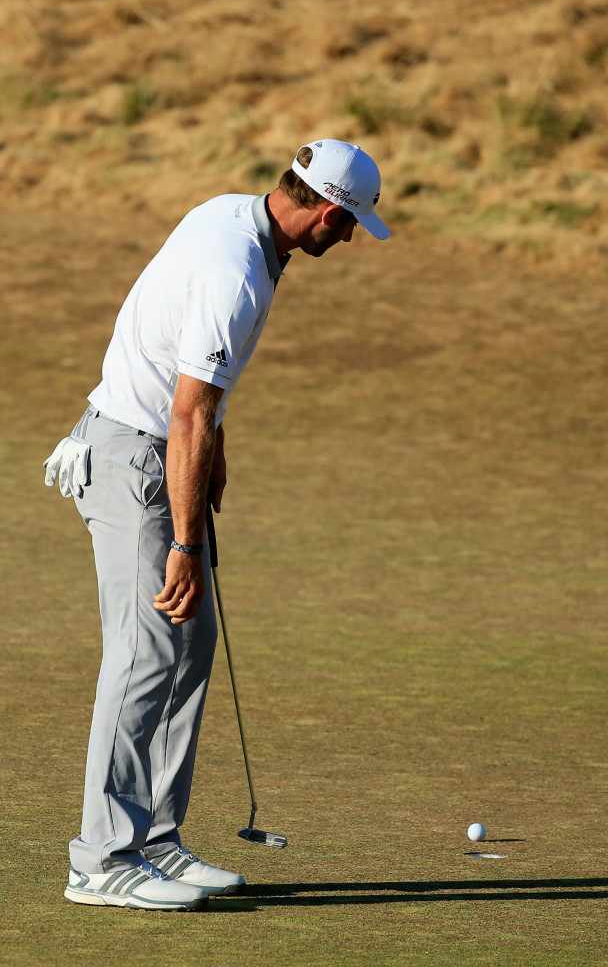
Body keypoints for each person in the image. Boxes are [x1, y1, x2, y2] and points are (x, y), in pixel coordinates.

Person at [43, 139, 390, 912]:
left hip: (157, 448)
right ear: (327, 212)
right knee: (142, 658)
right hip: (139, 460)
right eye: (350, 226)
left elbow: (191, 382)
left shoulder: (231, 216)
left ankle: (154, 839)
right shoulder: (236, 270)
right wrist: (186, 542)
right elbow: (188, 408)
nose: (348, 240)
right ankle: (100, 859)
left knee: (187, 641)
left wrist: (215, 451)